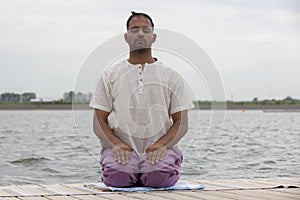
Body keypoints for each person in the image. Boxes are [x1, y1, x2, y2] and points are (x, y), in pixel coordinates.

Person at [89, 11, 194, 188]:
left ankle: (160, 166)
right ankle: (124, 168)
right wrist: (116, 145)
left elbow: (181, 123)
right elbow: (98, 121)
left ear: (153, 37)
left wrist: (161, 145)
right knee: (119, 179)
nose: (140, 33)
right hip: (120, 149)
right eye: (135, 29)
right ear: (126, 37)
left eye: (145, 30)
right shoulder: (110, 75)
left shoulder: (172, 76)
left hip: (161, 149)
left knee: (157, 179)